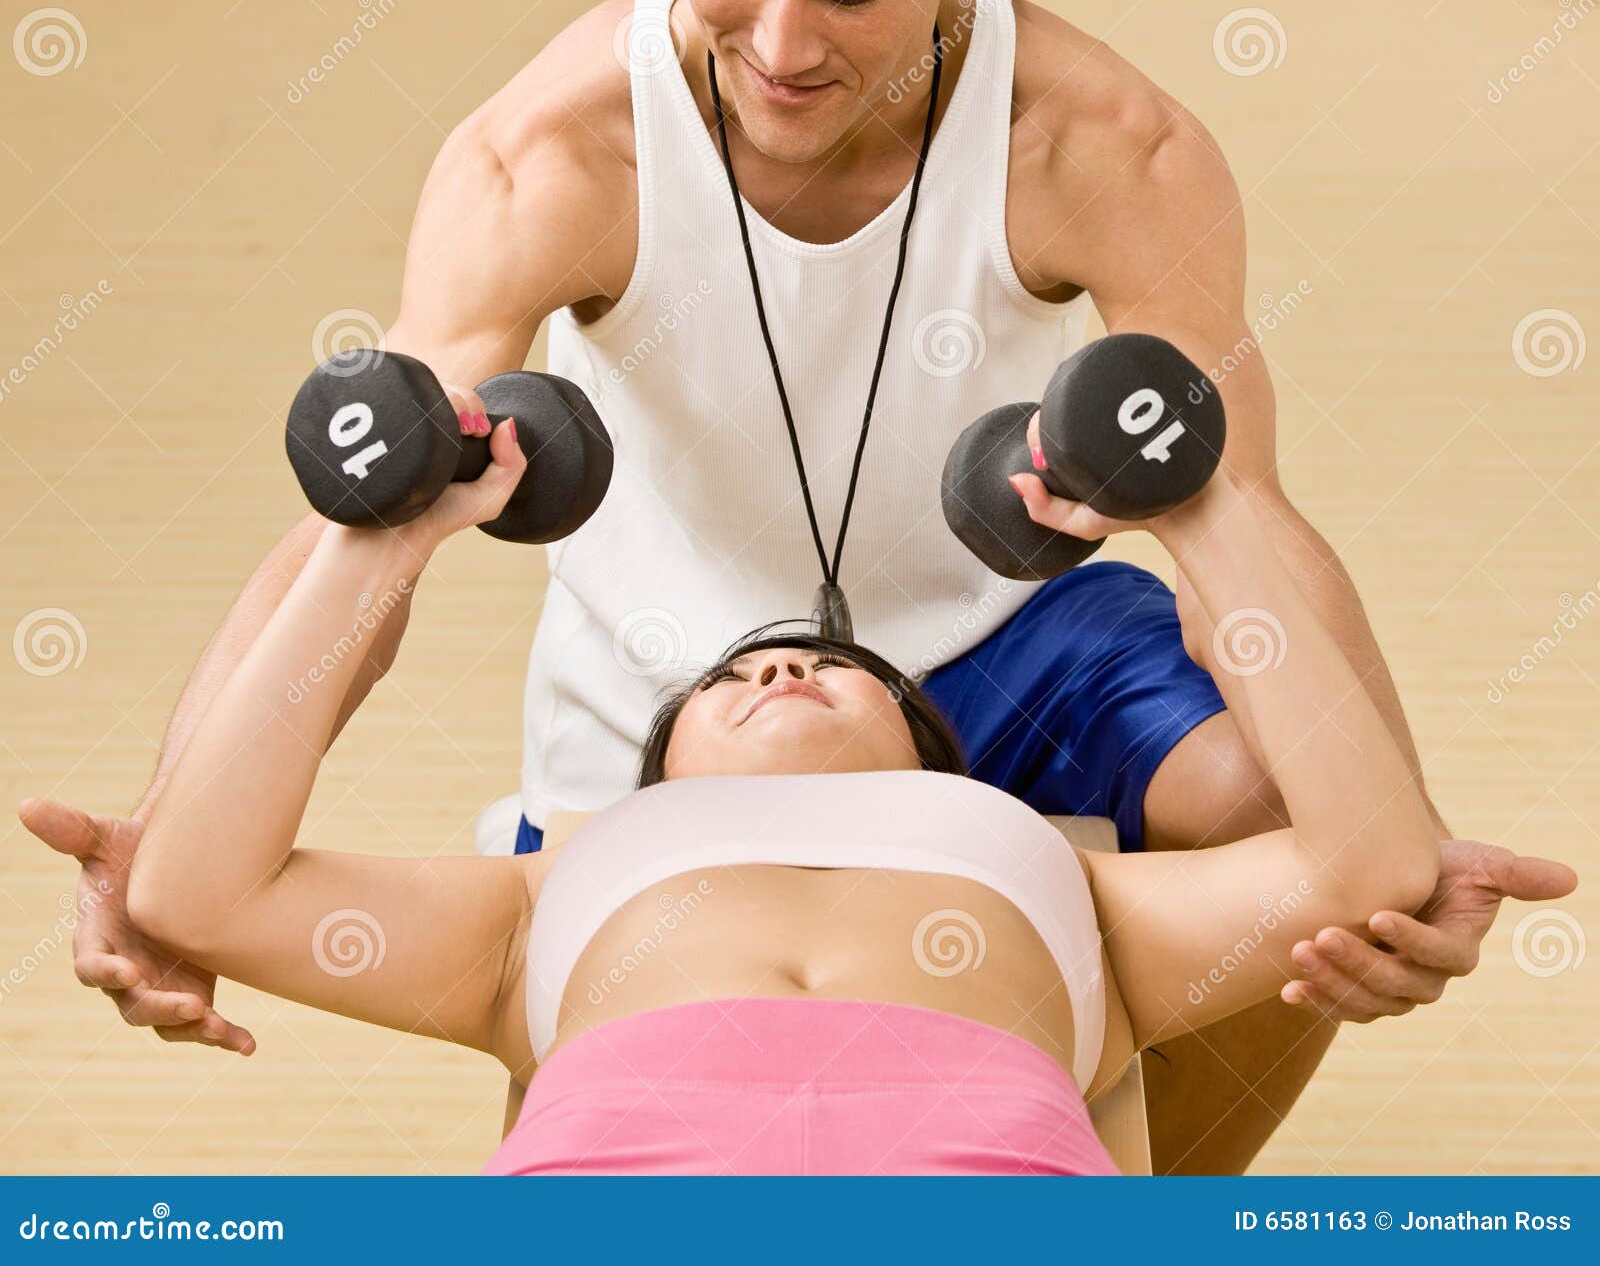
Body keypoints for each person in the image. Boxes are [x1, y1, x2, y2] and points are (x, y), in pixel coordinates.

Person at [32, 0, 1577, 1173]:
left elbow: (1250, 516)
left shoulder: (1099, 145)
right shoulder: (556, 155)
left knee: (1268, 797)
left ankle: (1158, 1201)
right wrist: (160, 834)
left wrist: (1404, 849)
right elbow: (364, 526)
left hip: (1005, 639)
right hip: (673, 685)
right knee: (617, 990)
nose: (781, 46)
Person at [18, 419, 1491, 1174]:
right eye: (729, 680)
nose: (782, 670)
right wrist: (382, 540)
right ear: (655, 779)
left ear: (936, 761)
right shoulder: (553, 887)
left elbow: (1368, 859)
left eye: (834, 672)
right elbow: (199, 890)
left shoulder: (1063, 878)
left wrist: (1199, 511)